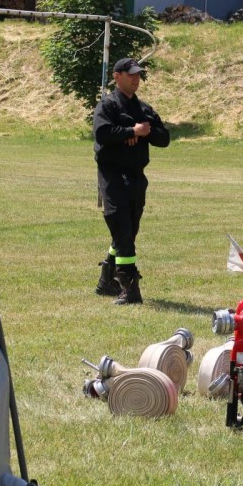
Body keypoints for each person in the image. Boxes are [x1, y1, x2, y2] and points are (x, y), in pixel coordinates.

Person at [93, 57, 171, 305]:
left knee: (129, 229)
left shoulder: (144, 109)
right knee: (122, 227)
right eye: (131, 75)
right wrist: (129, 132)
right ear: (117, 77)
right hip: (113, 175)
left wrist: (146, 132)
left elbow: (164, 138)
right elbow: (102, 134)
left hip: (136, 176)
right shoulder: (107, 105)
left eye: (138, 75)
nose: (136, 79)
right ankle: (129, 288)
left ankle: (107, 281)